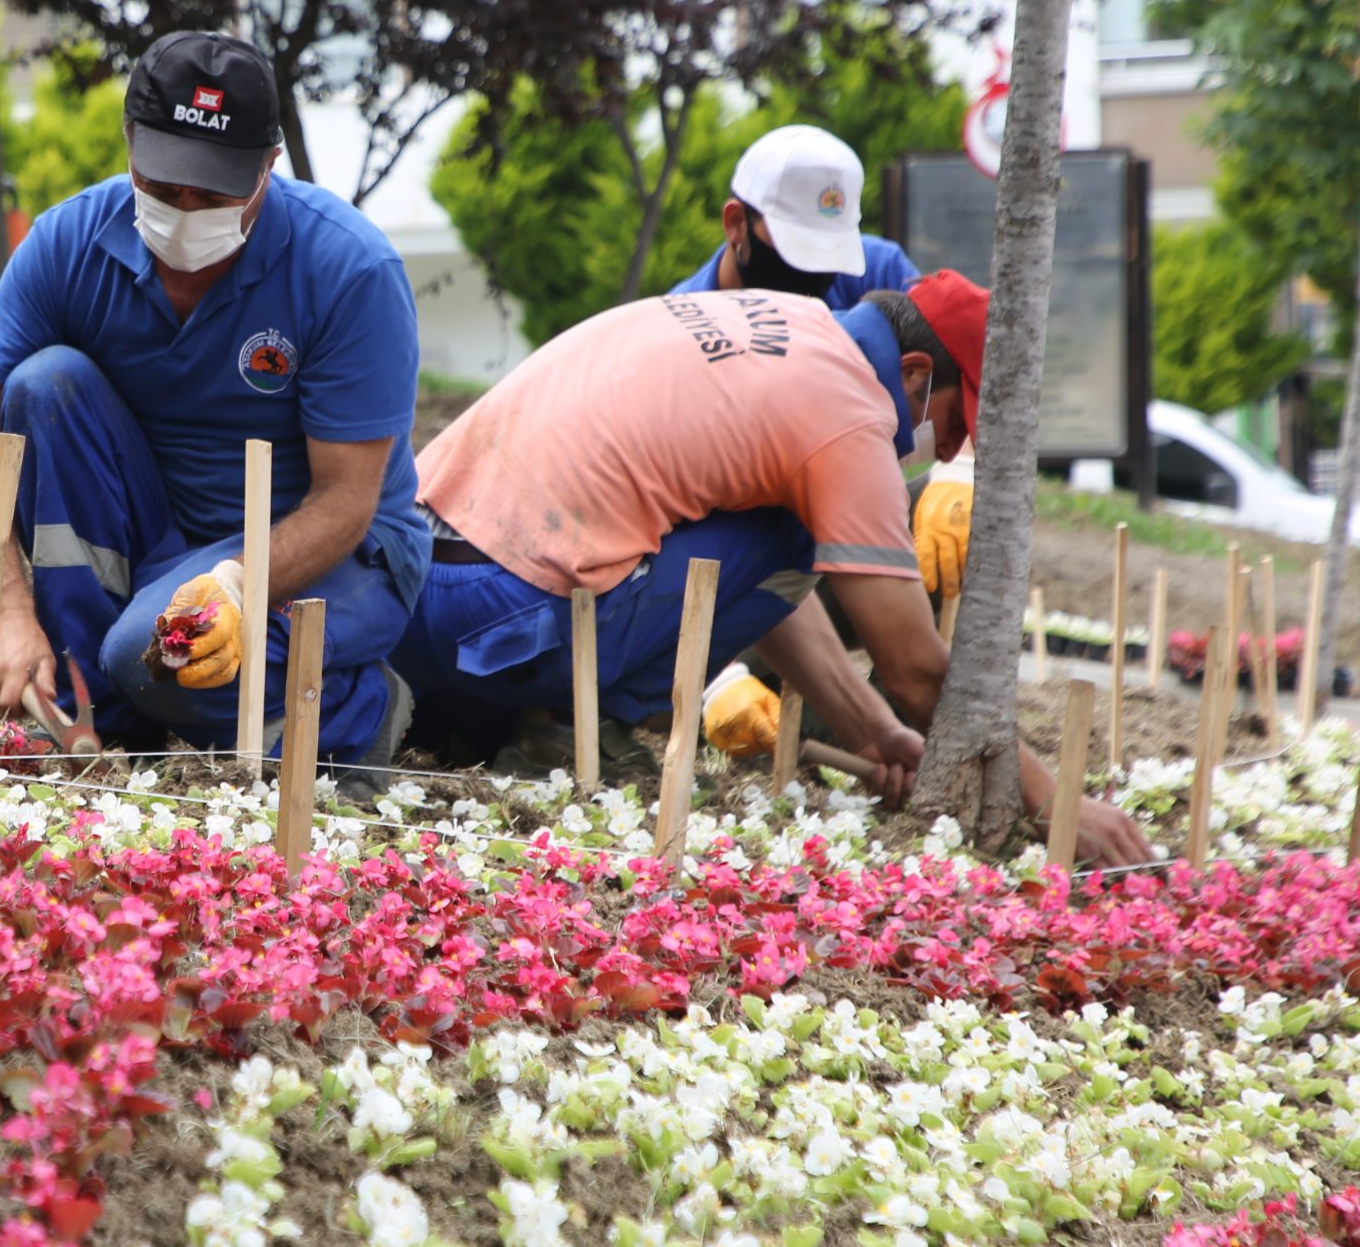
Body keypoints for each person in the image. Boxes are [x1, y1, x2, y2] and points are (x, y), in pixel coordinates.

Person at [393, 274, 1152, 866]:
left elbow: (754, 570)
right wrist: (1054, 799)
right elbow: (916, 669)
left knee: (779, 519)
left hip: (414, 586)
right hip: (501, 615)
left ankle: (503, 712)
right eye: (950, 423)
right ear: (915, 373)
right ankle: (565, 727)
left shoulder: (784, 321)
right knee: (798, 527)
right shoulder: (848, 409)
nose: (943, 450)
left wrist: (873, 732)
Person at [0, 31, 427, 778]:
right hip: (167, 532)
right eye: (165, 186)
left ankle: (358, 715)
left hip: (334, 554)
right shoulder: (67, 244)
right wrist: (5, 612)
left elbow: (347, 499)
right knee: (44, 383)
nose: (188, 209)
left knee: (155, 653)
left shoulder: (349, 271)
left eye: (216, 190)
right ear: (130, 142)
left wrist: (235, 581)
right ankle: (104, 711)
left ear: (269, 165)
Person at [672, 123, 971, 616]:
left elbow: (967, 363)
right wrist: (722, 679)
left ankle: (890, 690)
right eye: (796, 252)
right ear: (735, 224)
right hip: (744, 595)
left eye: (826, 256)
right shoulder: (681, 331)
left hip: (855, 547)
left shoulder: (874, 270)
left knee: (972, 519)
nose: (813, 278)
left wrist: (960, 472)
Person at [669, 124, 921, 309]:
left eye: (832, 249)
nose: (814, 271)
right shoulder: (677, 328)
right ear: (736, 222)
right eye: (796, 245)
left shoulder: (882, 274)